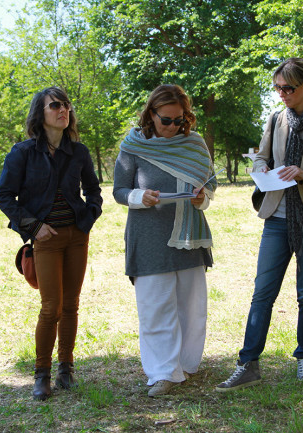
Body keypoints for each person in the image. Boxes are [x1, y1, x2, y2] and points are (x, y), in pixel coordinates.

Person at [216, 58, 303, 391]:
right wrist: (260, 170)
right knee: (262, 293)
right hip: (276, 219)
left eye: (288, 88)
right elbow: (263, 156)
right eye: (278, 88)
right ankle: (248, 364)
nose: (282, 94)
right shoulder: (276, 119)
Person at [0, 87, 103, 401]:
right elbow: (4, 195)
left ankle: (65, 368)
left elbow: (94, 192)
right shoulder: (23, 152)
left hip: (76, 237)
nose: (63, 110)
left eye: (66, 105)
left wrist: (86, 223)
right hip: (46, 240)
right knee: (50, 307)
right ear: (40, 114)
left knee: (71, 306)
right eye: (55, 105)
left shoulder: (78, 151)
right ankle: (41, 374)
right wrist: (33, 226)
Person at [113, 84, 217, 397]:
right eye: (166, 120)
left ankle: (185, 366)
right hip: (149, 235)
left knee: (191, 306)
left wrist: (203, 198)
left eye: (179, 120)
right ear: (151, 114)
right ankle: (162, 372)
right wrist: (138, 196)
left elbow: (209, 185)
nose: (172, 126)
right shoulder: (133, 145)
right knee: (155, 307)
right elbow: (119, 191)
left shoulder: (195, 143)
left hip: (189, 234)